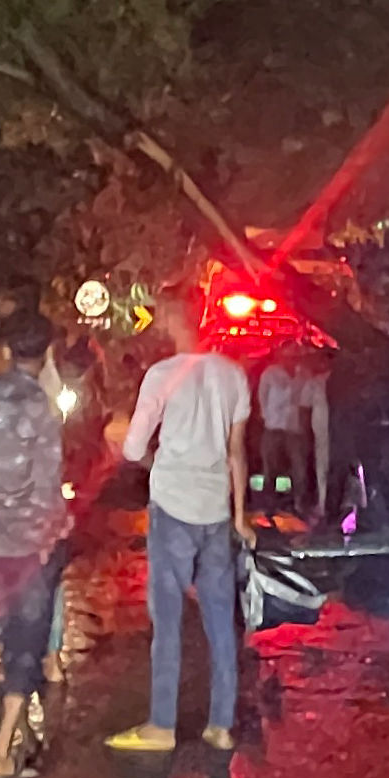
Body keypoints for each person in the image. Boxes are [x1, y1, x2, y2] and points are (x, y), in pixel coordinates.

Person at [107, 297, 254, 754]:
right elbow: (237, 453)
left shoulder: (162, 375)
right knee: (219, 619)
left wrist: (146, 454)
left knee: (167, 619)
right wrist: (240, 515)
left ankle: (163, 724)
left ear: (173, 322)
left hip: (172, 505)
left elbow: (131, 448)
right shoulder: (233, 376)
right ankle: (221, 724)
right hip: (214, 508)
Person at [0, 309, 70, 778]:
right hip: (33, 539)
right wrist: (55, 531)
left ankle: (19, 734)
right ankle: (2, 749)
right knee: (26, 641)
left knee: (7, 624)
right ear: (46, 351)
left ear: (9, 350)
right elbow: (49, 479)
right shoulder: (40, 406)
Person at [257, 344, 313, 517]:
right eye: (287, 356)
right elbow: (262, 396)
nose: (291, 359)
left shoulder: (304, 374)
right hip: (273, 427)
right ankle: (269, 505)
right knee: (270, 468)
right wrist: (266, 416)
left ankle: (299, 503)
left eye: (294, 356)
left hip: (294, 428)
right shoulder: (270, 373)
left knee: (299, 468)